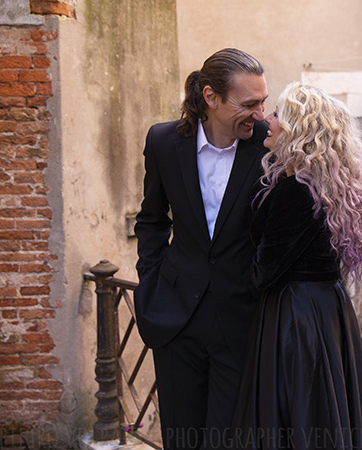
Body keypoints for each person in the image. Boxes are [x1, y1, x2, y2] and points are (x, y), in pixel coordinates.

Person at [231, 82, 362, 450]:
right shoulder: (324, 182)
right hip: (327, 310)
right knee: (324, 414)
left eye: (278, 114)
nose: (267, 120)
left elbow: (265, 271)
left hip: (296, 318)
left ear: (299, 129)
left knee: (299, 416)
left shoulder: (296, 189)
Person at [133, 48, 269, 449]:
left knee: (230, 441)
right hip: (176, 316)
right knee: (181, 438)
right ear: (211, 97)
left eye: (263, 101)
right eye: (249, 104)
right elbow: (151, 220)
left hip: (242, 320)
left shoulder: (269, 144)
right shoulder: (162, 141)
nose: (260, 114)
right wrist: (150, 285)